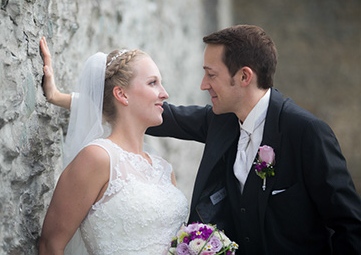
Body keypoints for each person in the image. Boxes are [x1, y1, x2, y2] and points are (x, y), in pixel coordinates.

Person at [42, 24, 361, 254]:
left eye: (211, 74)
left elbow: (350, 226)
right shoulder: (221, 122)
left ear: (244, 77)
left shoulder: (307, 132)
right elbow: (146, 112)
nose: (202, 84)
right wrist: (63, 98)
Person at [38, 37, 188, 254]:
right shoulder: (97, 158)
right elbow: (50, 245)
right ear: (121, 94)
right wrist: (55, 96)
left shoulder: (164, 169)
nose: (164, 93)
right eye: (152, 82)